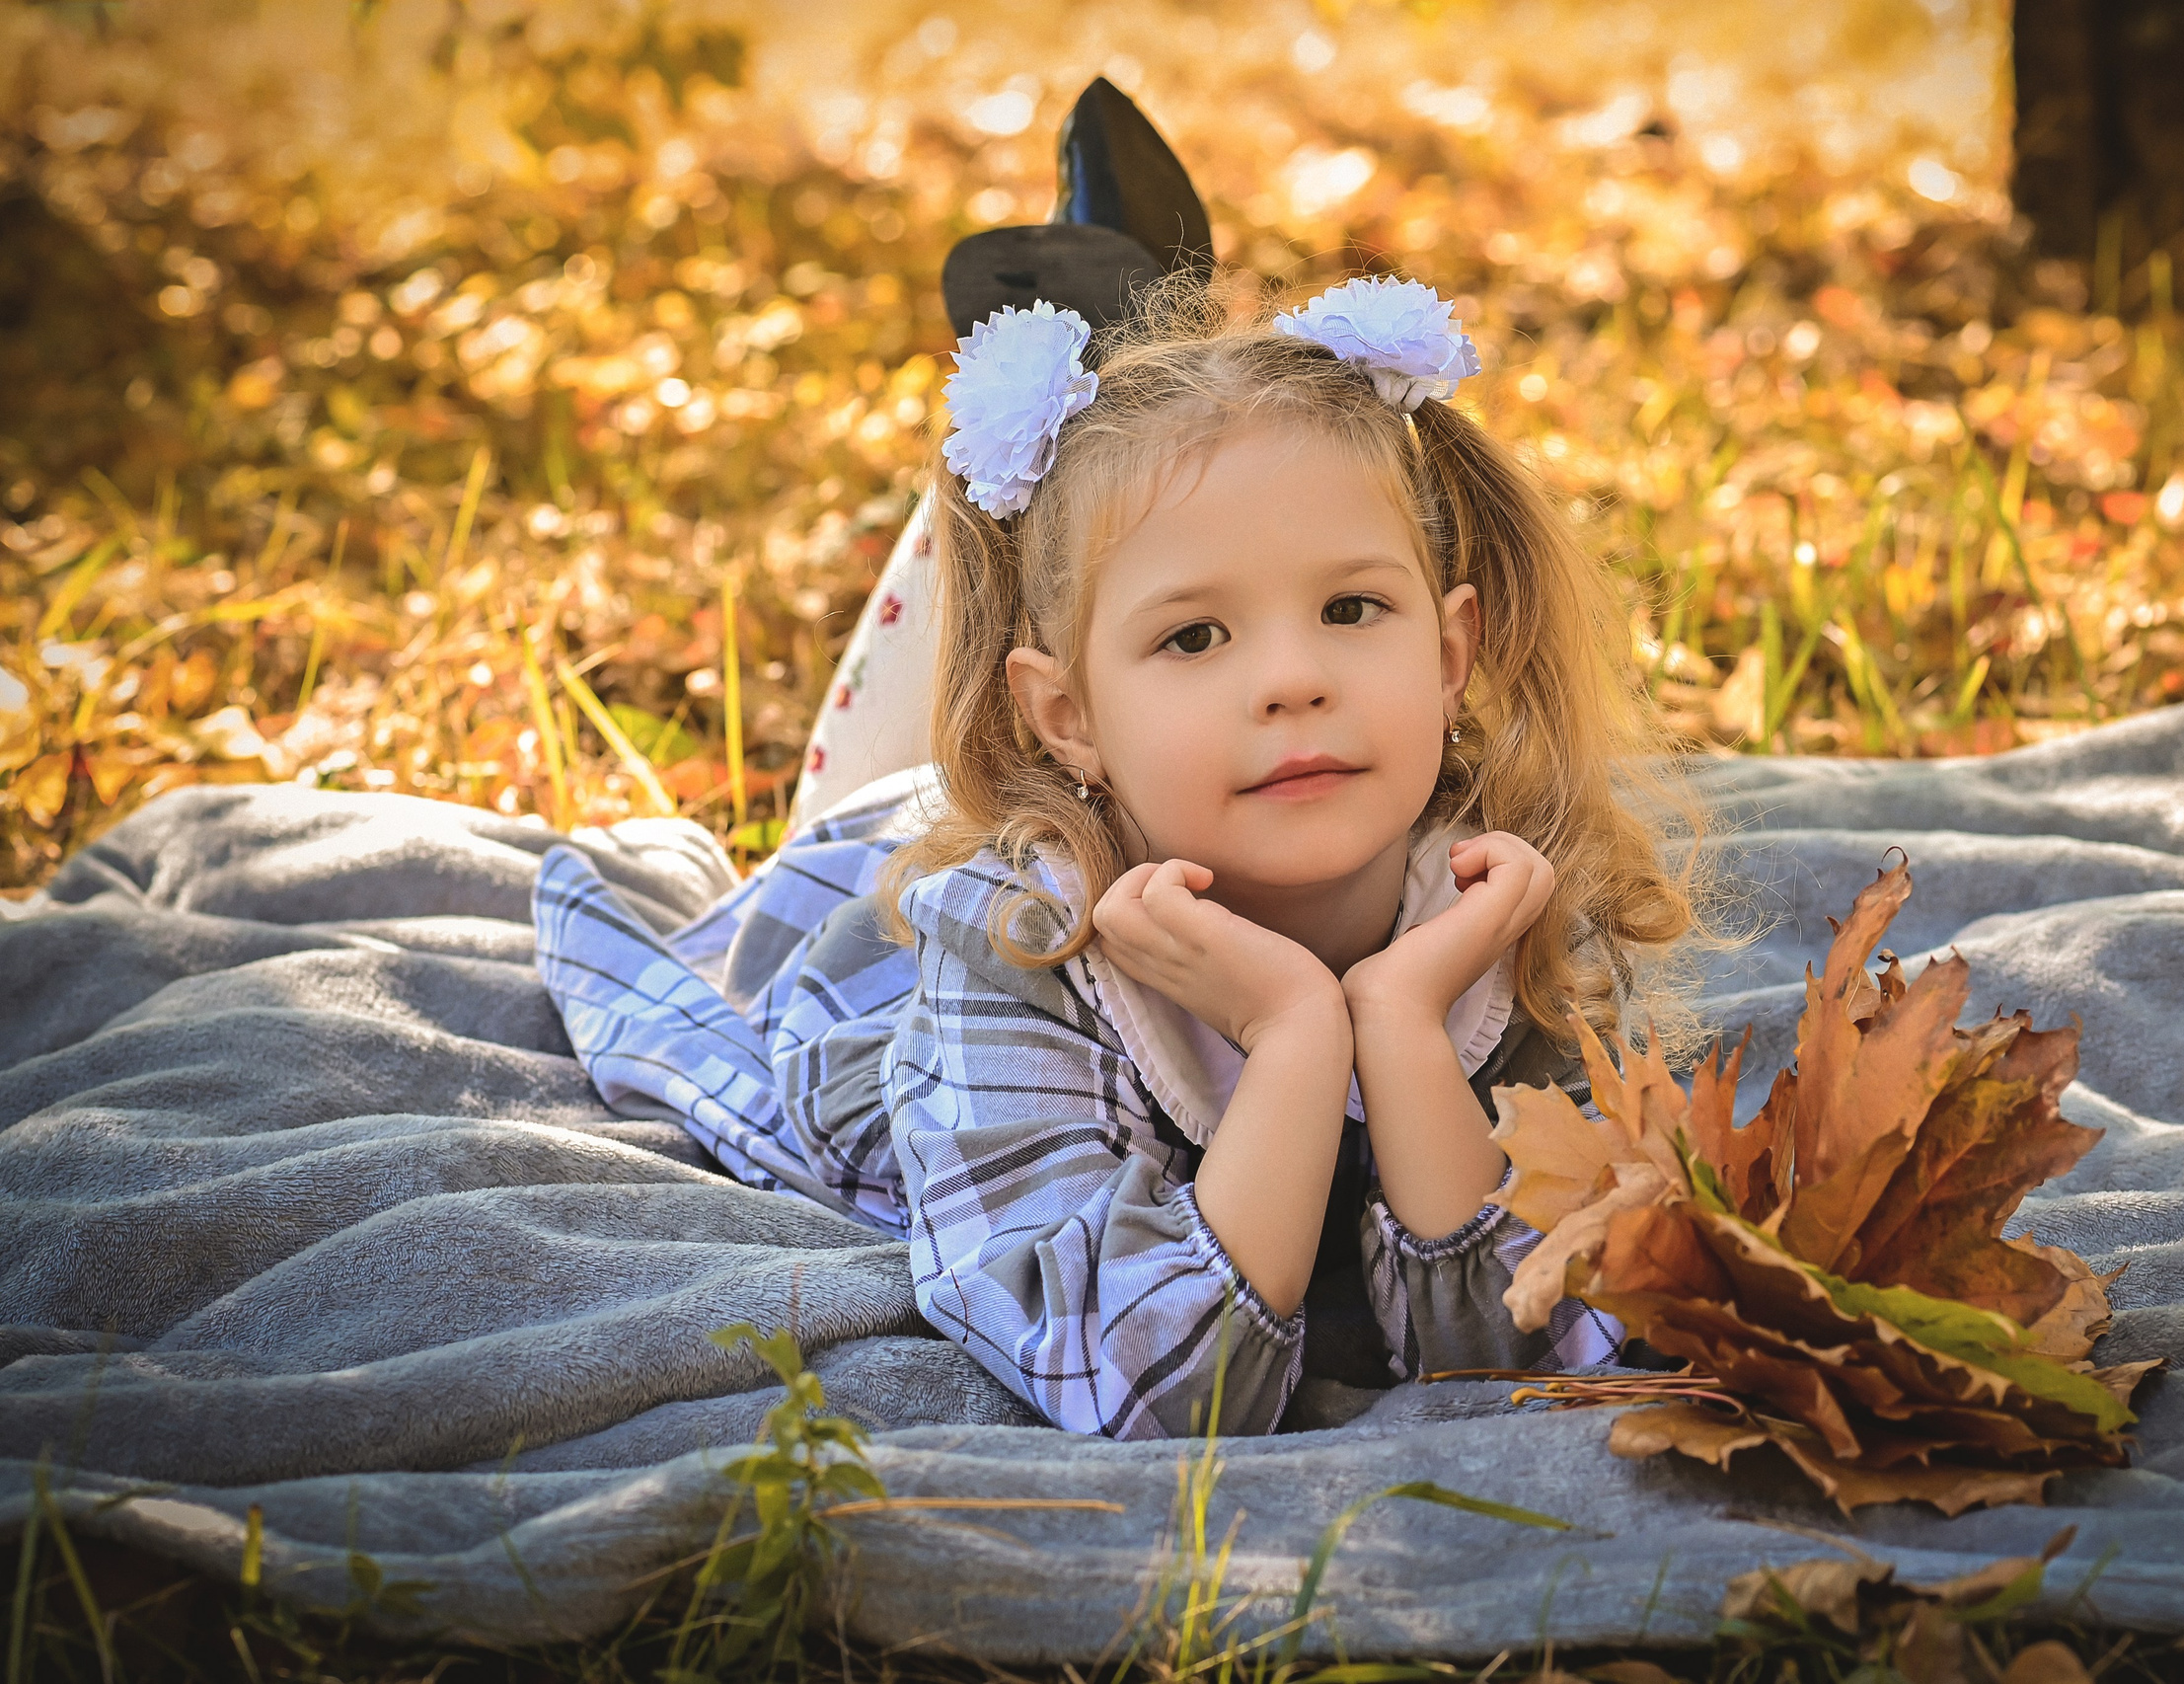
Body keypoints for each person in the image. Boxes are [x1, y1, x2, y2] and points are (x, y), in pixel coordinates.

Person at [533, 271, 1704, 1440]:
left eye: (1352, 609)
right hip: (883, 921)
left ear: (1450, 655)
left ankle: (1108, 279)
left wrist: (1396, 1018)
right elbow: (1146, 1384)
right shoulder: (1013, 949)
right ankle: (1061, 309)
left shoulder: (1510, 897)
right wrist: (1298, 1029)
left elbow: (1532, 1347)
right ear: (1071, 717)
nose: (1294, 678)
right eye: (1194, 634)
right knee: (858, 805)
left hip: (1112, 788)